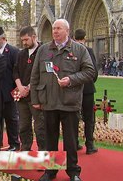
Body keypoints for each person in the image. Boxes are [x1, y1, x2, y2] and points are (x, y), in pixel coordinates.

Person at [30, 19, 95, 181]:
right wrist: (35, 99)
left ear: (67, 30)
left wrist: (71, 80)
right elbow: (35, 76)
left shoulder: (79, 50)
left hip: (69, 102)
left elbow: (89, 72)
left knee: (71, 141)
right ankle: (50, 171)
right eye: (53, 29)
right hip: (49, 101)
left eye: (58, 28)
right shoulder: (44, 50)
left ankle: (73, 172)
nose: (55, 31)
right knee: (50, 139)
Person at [13, 26, 45, 151]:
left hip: (37, 96)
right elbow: (15, 71)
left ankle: (43, 153)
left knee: (40, 127)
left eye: (26, 39)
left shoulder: (43, 51)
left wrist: (29, 87)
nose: (24, 43)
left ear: (34, 37)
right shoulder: (21, 53)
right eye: (22, 40)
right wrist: (20, 87)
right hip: (22, 96)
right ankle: (26, 149)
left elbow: (43, 73)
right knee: (23, 126)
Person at [0, 26, 20, 151]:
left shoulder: (13, 51)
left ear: (3, 38)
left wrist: (16, 92)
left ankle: (14, 144)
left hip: (10, 92)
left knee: (11, 119)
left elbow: (17, 72)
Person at [74, 28, 99, 154]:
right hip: (87, 89)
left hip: (73, 89)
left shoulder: (70, 50)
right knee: (89, 118)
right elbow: (94, 71)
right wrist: (89, 83)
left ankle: (75, 143)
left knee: (74, 117)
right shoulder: (88, 50)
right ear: (84, 37)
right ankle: (90, 145)